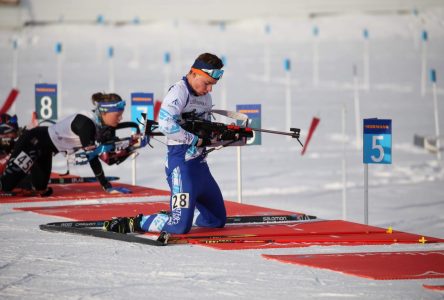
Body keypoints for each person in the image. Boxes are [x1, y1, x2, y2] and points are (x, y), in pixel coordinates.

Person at [105, 53, 228, 235]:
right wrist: (194, 139)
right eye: (207, 83)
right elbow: (166, 124)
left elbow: (204, 131)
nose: (209, 89)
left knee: (216, 220)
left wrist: (222, 136)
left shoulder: (206, 98)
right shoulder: (179, 92)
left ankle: (177, 214)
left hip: (201, 168)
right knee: (180, 227)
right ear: (194, 73)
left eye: (213, 85)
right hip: (182, 167)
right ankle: (137, 222)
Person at [0, 92, 133, 196]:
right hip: (33, 142)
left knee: (40, 189)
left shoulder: (103, 124)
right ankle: (17, 179)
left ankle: (24, 180)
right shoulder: (86, 124)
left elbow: (108, 158)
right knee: (5, 186)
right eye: (117, 115)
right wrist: (106, 186)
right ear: (104, 112)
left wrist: (132, 146)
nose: (121, 118)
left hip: (45, 150)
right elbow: (92, 158)